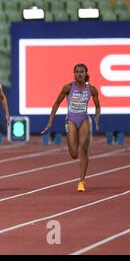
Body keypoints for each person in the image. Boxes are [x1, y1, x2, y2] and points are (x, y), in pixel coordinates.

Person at [41, 63, 101, 192]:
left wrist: (97, 117)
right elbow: (56, 103)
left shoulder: (92, 89)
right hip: (71, 120)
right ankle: (80, 174)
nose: (79, 74)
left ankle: (81, 180)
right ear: (74, 74)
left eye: (81, 72)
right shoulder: (68, 88)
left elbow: (98, 106)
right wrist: (50, 122)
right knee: (74, 153)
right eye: (76, 72)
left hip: (84, 119)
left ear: (86, 74)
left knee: (83, 148)